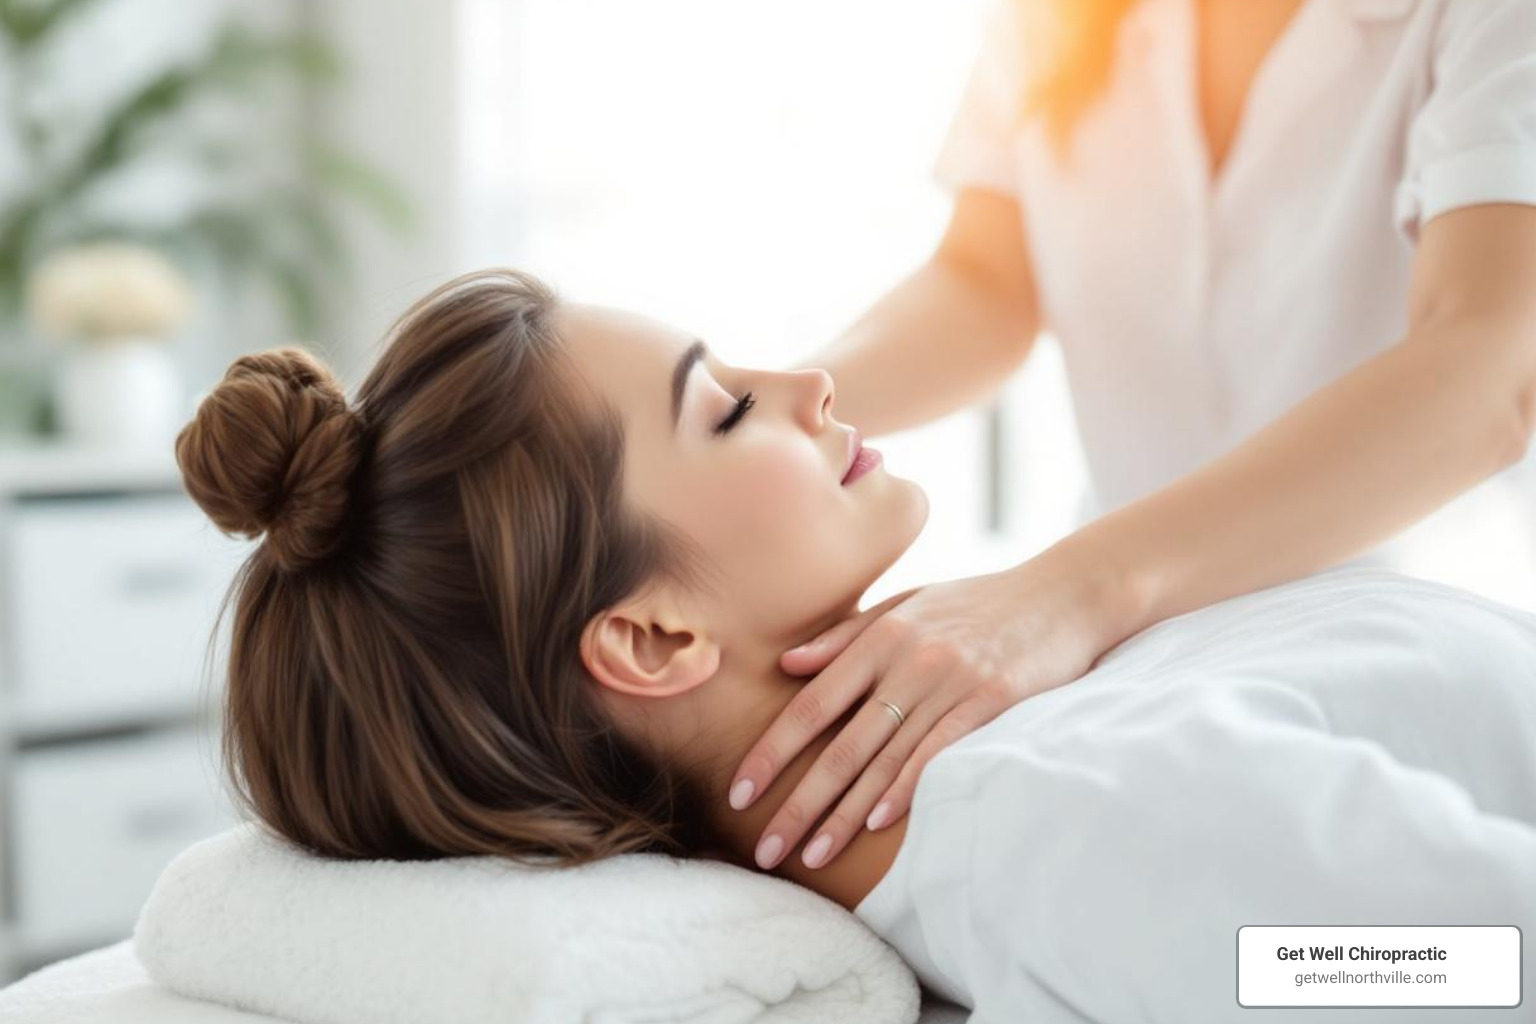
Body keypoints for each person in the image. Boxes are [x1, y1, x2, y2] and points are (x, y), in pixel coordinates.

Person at [175, 268, 1536, 1021]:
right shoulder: (1058, 829)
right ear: (651, 637)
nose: (809, 384)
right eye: (720, 410)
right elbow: (1470, 966)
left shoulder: (1030, 754)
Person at [720, 0, 1536, 878]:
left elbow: (1493, 362)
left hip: (1418, 646)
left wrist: (1067, 592)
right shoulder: (1052, 19)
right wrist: (757, 415)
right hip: (1135, 666)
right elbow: (985, 279)